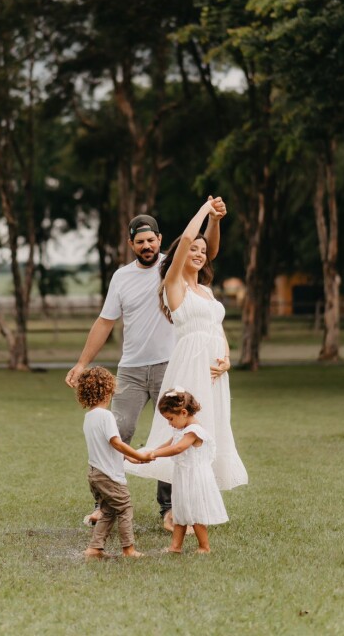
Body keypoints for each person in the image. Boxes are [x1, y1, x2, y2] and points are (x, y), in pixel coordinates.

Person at [65, 198, 226, 530]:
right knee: (118, 429)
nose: (147, 245)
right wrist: (82, 363)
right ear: (131, 245)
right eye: (140, 241)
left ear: (160, 239)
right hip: (132, 370)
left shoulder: (174, 267)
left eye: (151, 239)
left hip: (173, 365)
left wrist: (213, 219)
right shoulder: (121, 278)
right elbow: (105, 322)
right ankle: (104, 504)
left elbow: (205, 251)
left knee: (173, 431)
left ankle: (169, 507)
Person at [125, 198, 248, 491]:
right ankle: (182, 506)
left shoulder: (205, 290)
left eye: (203, 252)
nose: (199, 253)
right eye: (193, 249)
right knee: (191, 429)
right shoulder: (173, 284)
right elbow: (189, 238)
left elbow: (217, 329)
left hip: (216, 372)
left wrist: (227, 358)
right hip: (190, 366)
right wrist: (206, 210)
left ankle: (201, 500)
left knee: (211, 430)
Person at [76, 366, 154, 560]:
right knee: (125, 508)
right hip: (109, 475)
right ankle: (129, 550)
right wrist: (140, 455)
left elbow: (106, 447)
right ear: (109, 390)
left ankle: (95, 549)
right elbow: (116, 442)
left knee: (108, 510)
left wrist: (128, 457)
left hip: (95, 474)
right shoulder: (107, 416)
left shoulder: (89, 417)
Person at [146, 387, 228, 554]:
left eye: (170, 419)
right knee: (181, 510)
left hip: (195, 477)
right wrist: (150, 454)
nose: (170, 423)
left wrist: (155, 453)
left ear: (183, 412)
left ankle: (204, 547)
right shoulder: (180, 429)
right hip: (183, 475)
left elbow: (178, 448)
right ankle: (175, 547)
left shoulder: (194, 431)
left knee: (195, 512)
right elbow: (169, 444)